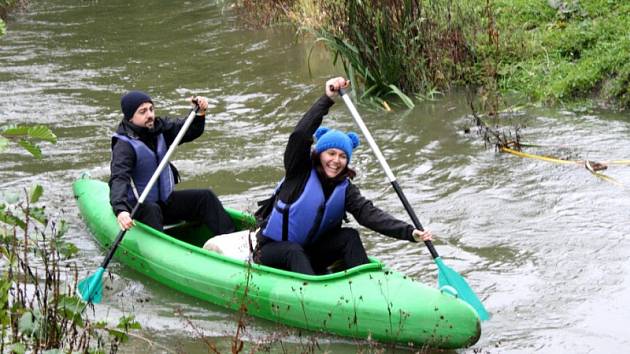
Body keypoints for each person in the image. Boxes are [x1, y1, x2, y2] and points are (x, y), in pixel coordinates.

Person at [254, 77, 433, 275]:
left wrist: (409, 232)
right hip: (272, 252)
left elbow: (370, 215)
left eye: (342, 156)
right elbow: (299, 135)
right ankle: (315, 297)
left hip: (309, 252)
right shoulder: (299, 171)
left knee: (349, 236)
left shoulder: (345, 189)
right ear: (319, 154)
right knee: (293, 251)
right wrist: (327, 99)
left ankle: (366, 286)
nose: (336, 161)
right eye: (331, 154)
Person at [109, 90, 236, 236]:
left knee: (205, 197)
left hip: (165, 202)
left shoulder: (159, 128)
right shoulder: (124, 146)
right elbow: (119, 178)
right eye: (142, 112)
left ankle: (230, 237)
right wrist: (121, 210)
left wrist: (199, 113)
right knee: (152, 210)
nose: (149, 115)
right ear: (130, 117)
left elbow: (189, 129)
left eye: (151, 109)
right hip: (139, 208)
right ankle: (161, 249)